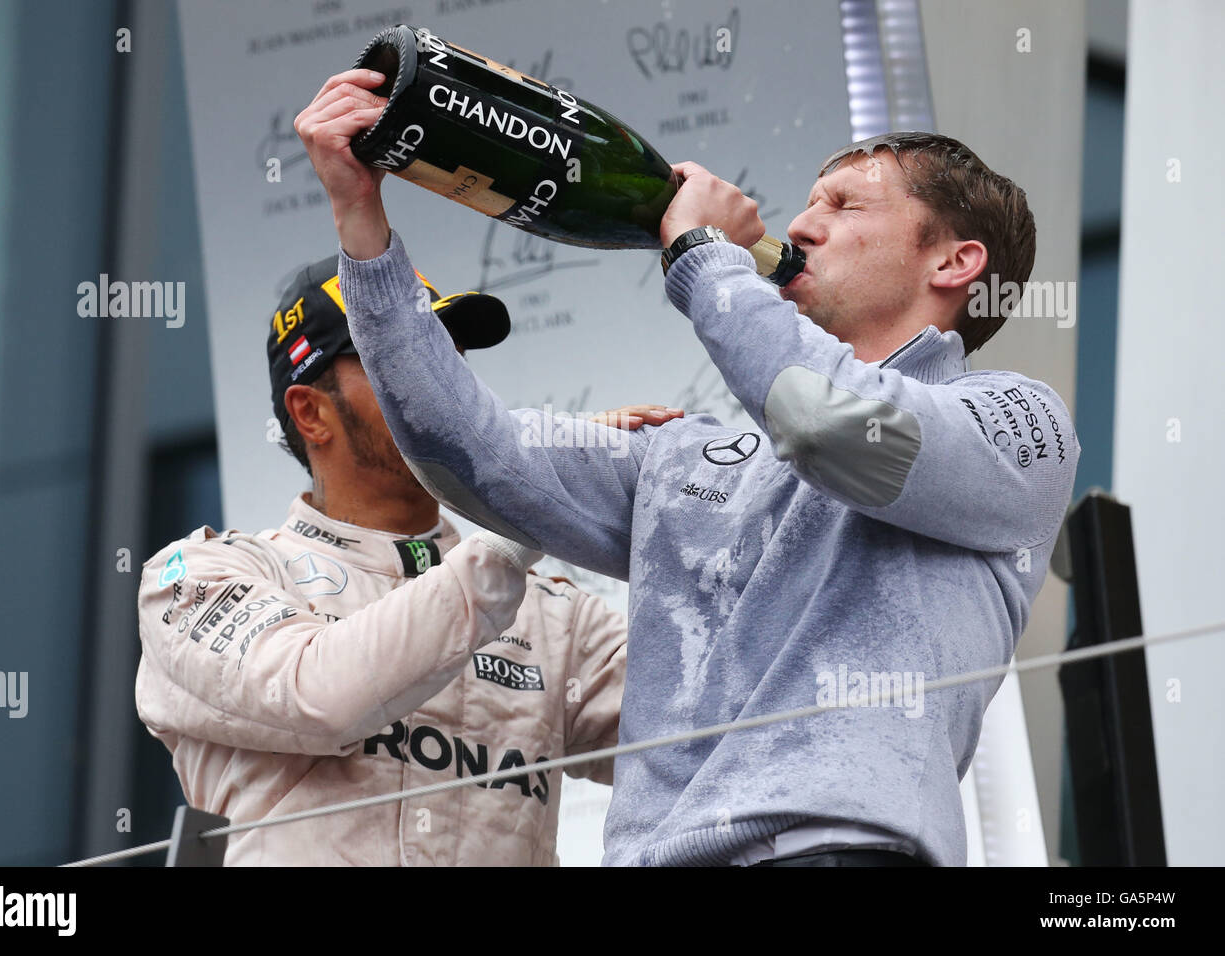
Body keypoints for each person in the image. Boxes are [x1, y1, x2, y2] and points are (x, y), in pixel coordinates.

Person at [294, 68, 1080, 866]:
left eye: (844, 206)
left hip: (834, 849)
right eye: (809, 201)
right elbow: (459, 451)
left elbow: (824, 421)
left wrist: (703, 255)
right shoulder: (689, 458)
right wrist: (360, 219)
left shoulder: (1015, 426)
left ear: (954, 264)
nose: (803, 226)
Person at [135, 254, 682, 865]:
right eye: (394, 359)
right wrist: (530, 510)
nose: (437, 383)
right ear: (311, 413)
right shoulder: (199, 576)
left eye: (446, 357)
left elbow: (716, 724)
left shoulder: (556, 614)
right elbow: (322, 697)